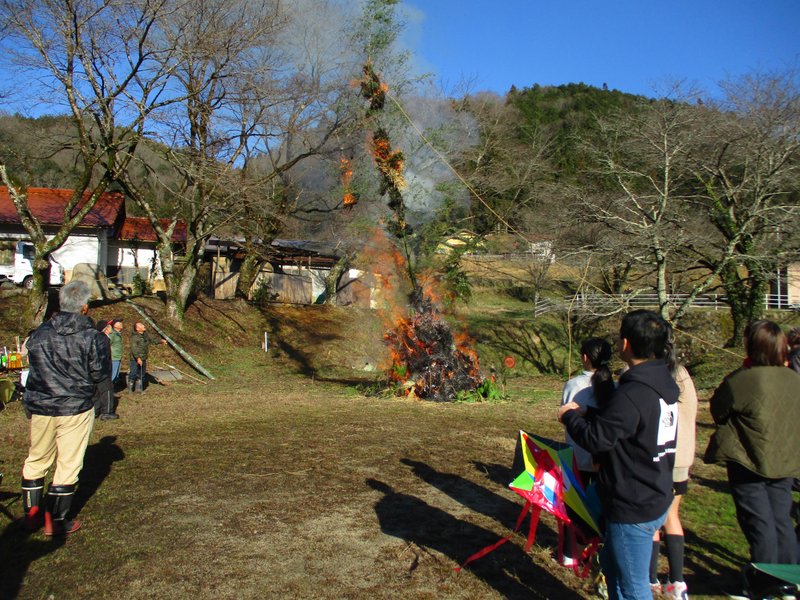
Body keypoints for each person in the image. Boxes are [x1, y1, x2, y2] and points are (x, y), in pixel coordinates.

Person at [559, 310, 679, 600]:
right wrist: (592, 412)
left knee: (633, 587)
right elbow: (633, 424)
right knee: (614, 569)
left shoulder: (633, 392)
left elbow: (597, 439)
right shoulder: (660, 383)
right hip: (654, 490)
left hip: (632, 502)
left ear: (626, 344)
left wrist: (571, 418)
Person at [705, 320, 800, 568]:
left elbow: (718, 409)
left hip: (749, 460)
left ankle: (766, 579)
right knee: (781, 519)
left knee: (758, 521)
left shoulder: (744, 380)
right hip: (786, 459)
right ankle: (789, 578)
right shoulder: (793, 378)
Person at [20, 280, 110, 535]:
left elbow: (33, 366)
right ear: (84, 307)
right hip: (74, 406)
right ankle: (56, 520)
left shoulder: (40, 332)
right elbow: (100, 373)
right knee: (68, 463)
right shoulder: (93, 338)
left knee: (37, 458)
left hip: (41, 404)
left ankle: (32, 515)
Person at [650, 326, 698, 600]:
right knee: (672, 516)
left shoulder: (657, 377)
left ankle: (651, 577)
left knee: (654, 520)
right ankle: (677, 581)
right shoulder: (683, 375)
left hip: (661, 455)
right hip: (682, 457)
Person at [559, 337, 614, 567]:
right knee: (600, 508)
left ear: (584, 357)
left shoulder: (573, 385)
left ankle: (570, 554)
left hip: (577, 456)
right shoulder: (615, 386)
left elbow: (564, 416)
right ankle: (595, 551)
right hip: (602, 459)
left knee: (573, 507)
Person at [128, 321, 166, 393]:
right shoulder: (134, 337)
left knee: (141, 374)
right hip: (135, 358)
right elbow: (134, 348)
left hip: (143, 358)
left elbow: (153, 339)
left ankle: (138, 389)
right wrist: (138, 358)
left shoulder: (146, 335)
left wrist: (161, 341)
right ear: (137, 329)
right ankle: (130, 390)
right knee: (133, 373)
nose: (143, 325)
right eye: (141, 325)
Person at [93, 321, 119, 420]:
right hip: (102, 369)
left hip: (95, 368)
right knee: (107, 390)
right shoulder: (103, 338)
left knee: (95, 391)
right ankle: (107, 412)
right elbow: (104, 356)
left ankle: (95, 411)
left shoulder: (95, 337)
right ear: (106, 328)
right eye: (109, 326)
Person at [109, 318, 124, 384]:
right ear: (114, 325)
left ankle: (111, 391)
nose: (121, 323)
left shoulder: (118, 334)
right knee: (112, 376)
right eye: (119, 322)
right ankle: (107, 392)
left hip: (118, 357)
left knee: (115, 376)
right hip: (113, 358)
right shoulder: (112, 334)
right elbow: (108, 345)